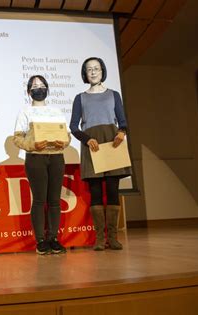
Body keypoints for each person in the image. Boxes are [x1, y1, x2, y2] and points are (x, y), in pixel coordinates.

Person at [69, 57, 131, 251]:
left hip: (112, 143)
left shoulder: (114, 94)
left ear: (102, 71)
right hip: (92, 145)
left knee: (113, 191)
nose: (93, 72)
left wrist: (122, 132)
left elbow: (123, 121)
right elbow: (73, 126)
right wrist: (86, 139)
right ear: (85, 74)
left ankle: (112, 237)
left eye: (96, 68)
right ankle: (99, 239)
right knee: (96, 193)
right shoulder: (80, 97)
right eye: (89, 69)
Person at [13, 75, 70, 255]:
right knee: (39, 200)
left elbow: (66, 135)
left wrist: (65, 143)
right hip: (36, 158)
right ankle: (40, 241)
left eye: (42, 85)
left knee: (54, 201)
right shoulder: (24, 111)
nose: (39, 88)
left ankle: (53, 238)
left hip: (56, 158)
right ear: (29, 91)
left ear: (47, 89)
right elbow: (17, 138)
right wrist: (32, 145)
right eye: (35, 86)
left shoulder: (56, 111)